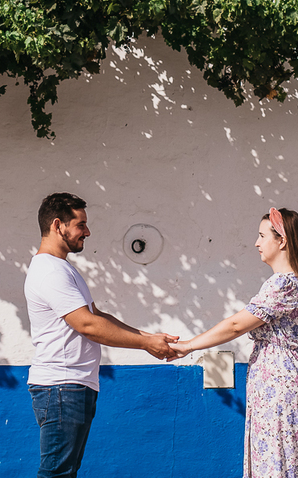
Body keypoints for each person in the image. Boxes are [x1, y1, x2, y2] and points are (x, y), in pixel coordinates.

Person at [25, 192, 181, 478]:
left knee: (64, 472)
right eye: (80, 224)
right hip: (62, 386)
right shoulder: (49, 271)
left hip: (73, 385)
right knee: (57, 474)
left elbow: (97, 316)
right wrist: (146, 343)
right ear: (58, 225)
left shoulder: (62, 269)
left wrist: (146, 338)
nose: (87, 231)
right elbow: (88, 326)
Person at [170, 207, 298, 478]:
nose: (257, 243)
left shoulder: (282, 284)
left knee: (277, 465)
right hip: (277, 384)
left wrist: (189, 345)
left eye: (263, 236)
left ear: (282, 241)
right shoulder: (288, 282)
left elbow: (237, 325)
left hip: (279, 387)